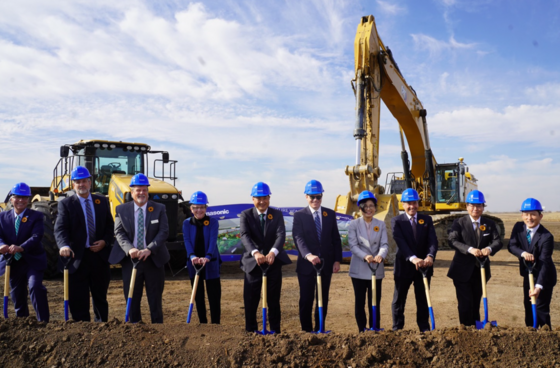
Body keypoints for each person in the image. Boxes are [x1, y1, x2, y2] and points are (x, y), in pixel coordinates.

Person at [54, 166, 114, 322]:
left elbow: (109, 225)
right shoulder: (66, 204)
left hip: (99, 257)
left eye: (84, 181)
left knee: (100, 297)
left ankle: (101, 327)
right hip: (77, 258)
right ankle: (82, 331)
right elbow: (60, 229)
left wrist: (105, 241)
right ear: (73, 184)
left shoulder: (102, 201)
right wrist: (64, 245)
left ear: (90, 182)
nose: (81, 185)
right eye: (78, 182)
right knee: (78, 298)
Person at [109, 173, 170, 323]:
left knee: (155, 299)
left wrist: (149, 249)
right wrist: (130, 249)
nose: (141, 193)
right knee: (132, 299)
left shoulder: (159, 208)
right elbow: (119, 232)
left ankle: (158, 328)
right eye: (138, 190)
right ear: (132, 192)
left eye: (144, 190)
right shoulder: (121, 210)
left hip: (153, 260)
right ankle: (134, 329)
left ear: (148, 191)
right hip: (131, 260)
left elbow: (164, 232)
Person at [239, 182, 292, 333]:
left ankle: (275, 331)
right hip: (253, 263)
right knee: (250, 300)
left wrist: (273, 252)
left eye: (265, 198)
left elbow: (281, 234)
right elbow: (245, 235)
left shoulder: (277, 214)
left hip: (272, 263)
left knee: (273, 300)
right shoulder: (246, 215)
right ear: (253, 199)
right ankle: (251, 331)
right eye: (258, 198)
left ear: (269, 198)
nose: (262, 201)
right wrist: (255, 253)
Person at [292, 180, 342, 332]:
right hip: (307, 266)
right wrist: (308, 255)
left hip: (325, 265)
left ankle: (320, 329)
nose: (315, 200)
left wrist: (337, 260)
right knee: (306, 300)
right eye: (312, 197)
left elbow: (335, 239)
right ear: (306, 197)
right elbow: (298, 238)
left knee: (322, 299)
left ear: (322, 196)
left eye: (318, 196)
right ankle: (307, 331)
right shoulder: (300, 215)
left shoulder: (329, 214)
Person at [448, 190, 502, 327]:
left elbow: (497, 241)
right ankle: (465, 329)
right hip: (461, 271)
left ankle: (477, 328)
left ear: (483, 207)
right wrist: (470, 250)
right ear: (467, 206)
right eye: (472, 205)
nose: (475, 209)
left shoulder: (489, 224)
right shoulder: (458, 223)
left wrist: (488, 249)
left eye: (478, 206)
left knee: (476, 302)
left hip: (481, 271)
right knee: (465, 304)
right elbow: (453, 241)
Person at [0, 183, 49, 322]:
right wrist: (2, 245)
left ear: (28, 199)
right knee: (17, 293)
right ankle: (22, 323)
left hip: (32, 260)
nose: (21, 200)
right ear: (11, 199)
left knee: (35, 287)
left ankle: (44, 322)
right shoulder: (2, 217)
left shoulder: (37, 216)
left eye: (24, 197)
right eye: (18, 197)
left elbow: (37, 236)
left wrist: (21, 247)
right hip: (12, 262)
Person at [391, 188, 438, 331]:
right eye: (409, 203)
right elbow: (401, 242)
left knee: (423, 299)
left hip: (424, 266)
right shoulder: (397, 221)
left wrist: (430, 256)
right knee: (399, 300)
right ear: (403, 204)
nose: (412, 206)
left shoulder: (427, 220)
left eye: (415, 203)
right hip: (404, 266)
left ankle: (424, 328)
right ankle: (397, 328)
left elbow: (432, 241)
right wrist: (413, 258)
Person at [508, 198, 556, 328]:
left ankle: (546, 336)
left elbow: (545, 262)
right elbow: (512, 245)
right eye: (526, 214)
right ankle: (531, 335)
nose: (529, 218)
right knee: (528, 306)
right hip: (528, 273)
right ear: (522, 215)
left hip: (544, 276)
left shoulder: (546, 237)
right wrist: (523, 253)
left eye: (533, 214)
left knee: (541, 309)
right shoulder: (518, 227)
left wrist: (538, 287)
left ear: (540, 216)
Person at [348, 191, 388, 332]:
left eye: (372, 206)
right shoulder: (354, 225)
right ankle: (361, 329)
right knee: (360, 301)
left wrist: (380, 256)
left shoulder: (381, 224)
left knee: (375, 300)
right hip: (359, 269)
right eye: (366, 206)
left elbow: (384, 244)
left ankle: (374, 327)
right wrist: (365, 256)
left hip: (376, 268)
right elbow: (353, 245)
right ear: (360, 208)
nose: (369, 209)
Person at [183, 191, 221, 324]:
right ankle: (202, 323)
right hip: (194, 264)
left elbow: (212, 240)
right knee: (198, 296)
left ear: (206, 207)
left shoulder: (213, 222)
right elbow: (187, 241)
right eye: (196, 207)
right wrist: (192, 256)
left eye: (202, 207)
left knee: (214, 296)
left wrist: (208, 256)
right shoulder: (187, 223)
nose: (199, 210)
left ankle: (216, 324)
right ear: (191, 208)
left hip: (210, 263)